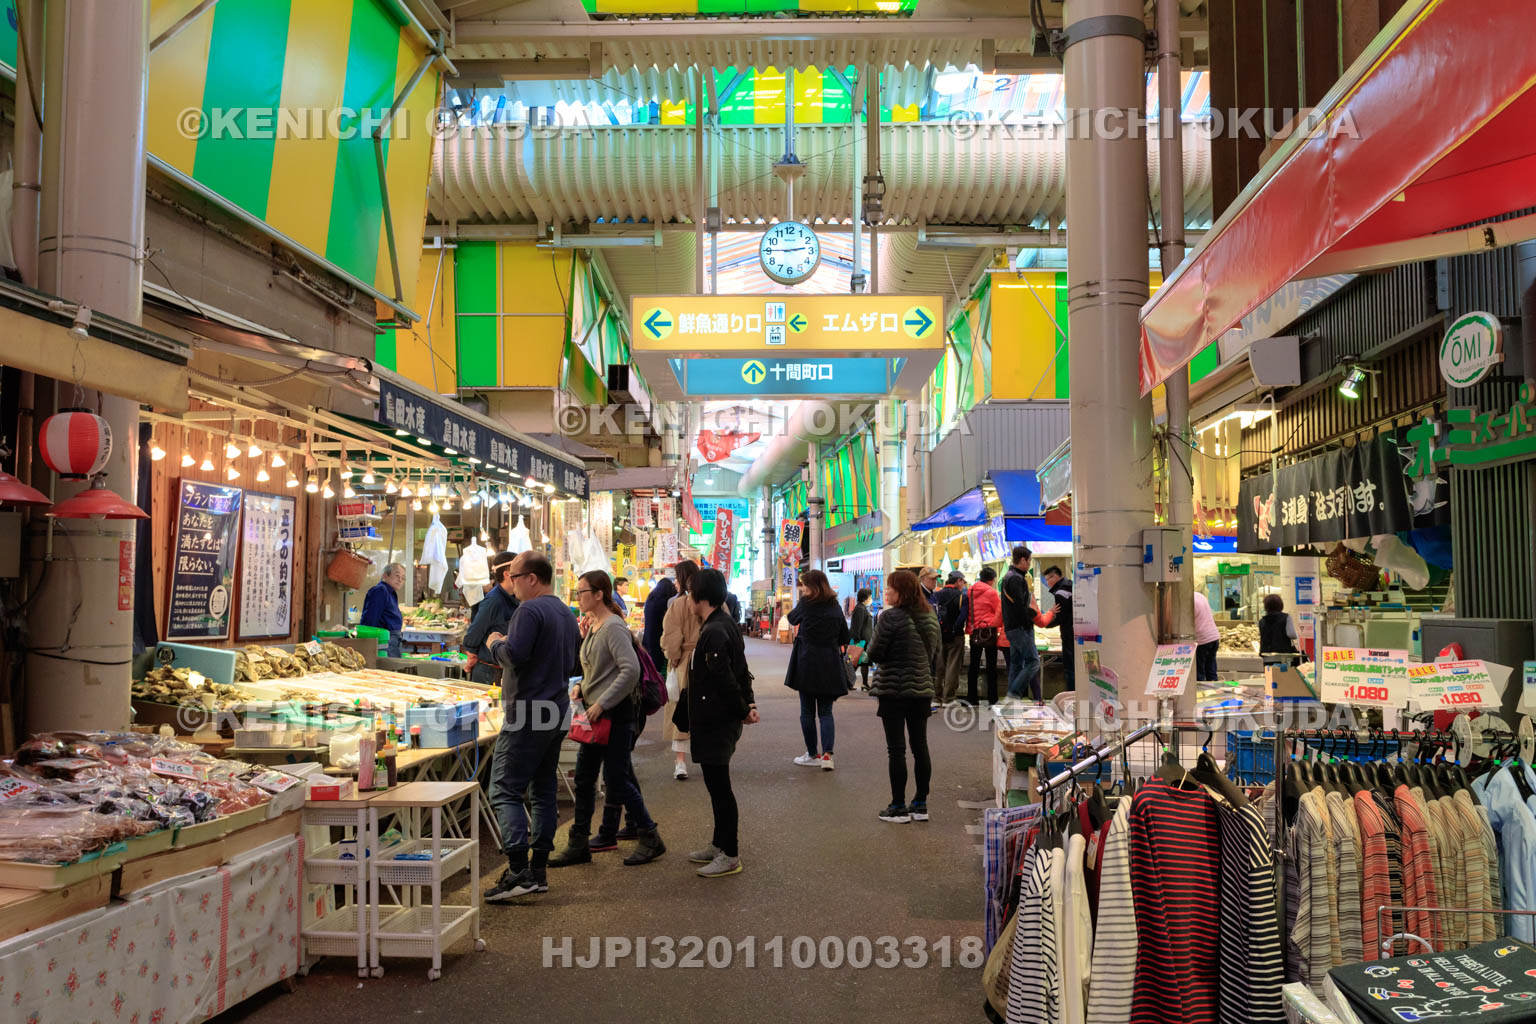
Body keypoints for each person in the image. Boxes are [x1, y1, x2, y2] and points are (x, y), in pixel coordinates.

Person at [548, 570, 665, 869]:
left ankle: (650, 836)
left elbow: (630, 671)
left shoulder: (613, 626)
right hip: (595, 715)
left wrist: (602, 702)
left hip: (614, 716)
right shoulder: (595, 625)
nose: (578, 598)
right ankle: (578, 843)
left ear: (599, 594)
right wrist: (580, 686)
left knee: (618, 779)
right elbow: (595, 669)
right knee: (586, 778)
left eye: (582, 592)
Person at [483, 552, 579, 901]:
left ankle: (519, 871)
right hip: (555, 710)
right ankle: (537, 871)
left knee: (504, 790)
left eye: (514, 576)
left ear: (532, 578)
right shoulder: (565, 612)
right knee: (542, 791)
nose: (511, 583)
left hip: (527, 712)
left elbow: (514, 655)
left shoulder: (529, 610)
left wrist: (495, 644)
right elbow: (572, 661)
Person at [683, 568, 759, 877]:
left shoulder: (714, 630)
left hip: (716, 719)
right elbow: (741, 671)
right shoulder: (724, 624)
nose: (688, 600)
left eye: (690, 594)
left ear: (699, 597)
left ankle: (730, 853)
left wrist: (743, 709)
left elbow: (726, 678)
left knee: (720, 788)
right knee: (716, 787)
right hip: (718, 717)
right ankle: (718, 844)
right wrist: (748, 704)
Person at [865, 569, 940, 824]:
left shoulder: (889, 618)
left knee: (896, 750)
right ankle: (920, 804)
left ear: (902, 591)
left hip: (894, 692)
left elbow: (875, 653)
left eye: (890, 588)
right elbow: (933, 655)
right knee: (920, 746)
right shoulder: (930, 617)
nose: (886, 592)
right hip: (921, 691)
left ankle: (898, 807)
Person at [785, 569, 851, 770]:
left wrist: (803, 601)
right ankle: (828, 756)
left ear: (811, 586)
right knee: (826, 712)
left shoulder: (806, 603)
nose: (802, 588)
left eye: (804, 585)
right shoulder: (834, 605)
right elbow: (844, 637)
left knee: (807, 711)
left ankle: (812, 754)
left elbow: (791, 618)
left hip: (807, 662)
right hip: (829, 662)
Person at [661, 560, 702, 780]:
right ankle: (708, 756)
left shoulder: (678, 604)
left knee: (680, 711)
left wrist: (673, 657)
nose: (675, 582)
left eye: (676, 578)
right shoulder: (713, 602)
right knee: (706, 709)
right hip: (707, 662)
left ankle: (680, 763)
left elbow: (670, 638)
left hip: (683, 663)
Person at [461, 551, 518, 684]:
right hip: (489, 671)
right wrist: (472, 655)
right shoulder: (494, 600)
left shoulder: (515, 598)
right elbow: (473, 634)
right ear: (507, 574)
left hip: (505, 669)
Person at [1000, 545, 1042, 701]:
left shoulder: (1008, 577)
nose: (1030, 564)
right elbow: (1019, 606)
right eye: (1029, 561)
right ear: (1023, 560)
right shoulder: (1016, 579)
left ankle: (1012, 702)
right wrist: (1029, 618)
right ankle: (1013, 694)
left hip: (1011, 628)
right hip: (1020, 628)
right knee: (1033, 662)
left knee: (1016, 665)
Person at [965, 566, 1003, 705]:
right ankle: (992, 698)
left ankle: (972, 698)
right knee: (991, 667)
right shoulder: (991, 593)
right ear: (992, 580)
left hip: (974, 631)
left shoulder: (970, 591)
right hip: (989, 631)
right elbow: (999, 611)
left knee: (973, 666)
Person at [1036, 566, 1075, 690]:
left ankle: (1070, 696)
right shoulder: (1071, 586)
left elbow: (1061, 617)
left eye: (1048, 579)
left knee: (1070, 668)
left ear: (1055, 577)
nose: (1047, 583)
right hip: (1077, 632)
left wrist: (1045, 623)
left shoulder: (1060, 593)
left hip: (1069, 634)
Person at [933, 570, 968, 707]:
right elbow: (962, 617)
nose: (963, 585)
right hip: (956, 637)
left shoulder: (936, 595)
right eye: (963, 582)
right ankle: (949, 699)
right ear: (958, 581)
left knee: (938, 666)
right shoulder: (962, 597)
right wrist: (954, 630)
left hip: (939, 635)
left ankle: (937, 697)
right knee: (953, 667)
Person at [361, 562, 406, 657]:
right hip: (384, 646)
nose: (400, 580)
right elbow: (369, 622)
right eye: (397, 575)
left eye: (403, 578)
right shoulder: (380, 591)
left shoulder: (391, 593)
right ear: (385, 575)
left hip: (393, 644)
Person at [642, 571, 677, 674]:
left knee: (650, 668)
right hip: (659, 639)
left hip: (647, 638)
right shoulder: (665, 603)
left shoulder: (650, 600)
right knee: (658, 669)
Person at [1258, 593, 1302, 667]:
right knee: (1283, 677)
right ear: (1280, 604)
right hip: (1283, 657)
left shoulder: (1262, 621)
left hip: (1266, 657)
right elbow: (1291, 634)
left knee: (1270, 677)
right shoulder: (1286, 617)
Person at [850, 588, 875, 690]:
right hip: (861, 641)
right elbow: (857, 625)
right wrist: (857, 640)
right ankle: (848, 682)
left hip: (864, 640)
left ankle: (864, 683)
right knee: (855, 662)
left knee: (864, 662)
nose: (871, 598)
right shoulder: (860, 609)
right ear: (865, 597)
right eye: (870, 596)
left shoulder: (862, 608)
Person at [1193, 590, 1221, 682]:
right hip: (1214, 637)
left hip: (1202, 640)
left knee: (1199, 674)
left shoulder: (1189, 600)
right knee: (1211, 670)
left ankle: (1201, 695)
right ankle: (1214, 693)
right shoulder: (1200, 596)